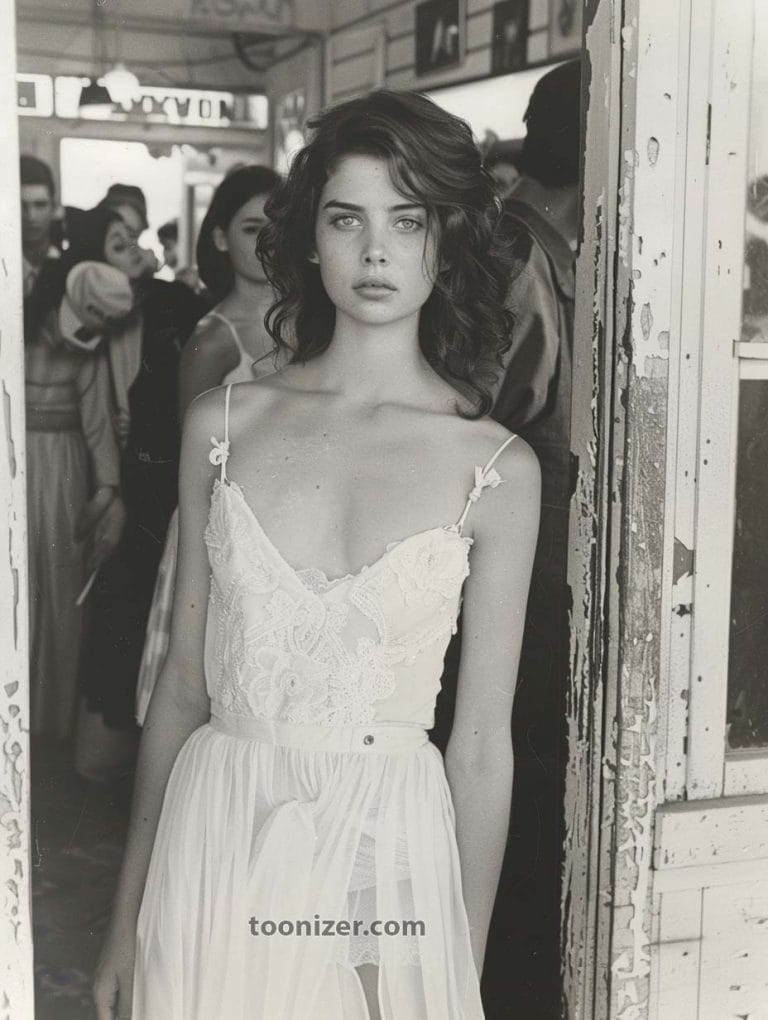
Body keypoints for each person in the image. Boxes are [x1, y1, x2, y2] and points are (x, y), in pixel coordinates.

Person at [93, 89, 539, 1020]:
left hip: (390, 849)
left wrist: (459, 960)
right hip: (218, 835)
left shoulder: (495, 467)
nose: (376, 251)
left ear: (446, 239)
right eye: (348, 219)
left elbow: (483, 745)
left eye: (407, 220)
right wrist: (125, 916)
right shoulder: (223, 422)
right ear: (310, 238)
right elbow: (181, 683)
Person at [135, 164, 283, 724]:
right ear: (219, 236)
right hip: (222, 524)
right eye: (250, 227)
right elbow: (189, 459)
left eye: (276, 225)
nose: (266, 239)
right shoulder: (213, 336)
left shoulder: (306, 323)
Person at [75, 195, 208, 769]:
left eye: (137, 237)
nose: (138, 249)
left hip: (149, 479)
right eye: (119, 242)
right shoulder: (92, 309)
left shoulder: (174, 303)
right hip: (105, 473)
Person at [24, 207, 139, 741]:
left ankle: (46, 728)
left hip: (65, 476)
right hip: (23, 469)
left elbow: (96, 428)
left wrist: (108, 488)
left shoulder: (87, 356)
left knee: (64, 598)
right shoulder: (14, 333)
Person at [20, 155, 61, 301]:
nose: (31, 216)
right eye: (21, 206)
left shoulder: (67, 264)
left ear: (54, 207)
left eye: (40, 204)